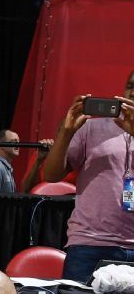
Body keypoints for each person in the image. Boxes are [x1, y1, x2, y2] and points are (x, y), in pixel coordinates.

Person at [38, 71, 134, 282]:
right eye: (130, 85)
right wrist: (67, 132)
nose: (132, 92)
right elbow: (52, 175)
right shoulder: (92, 127)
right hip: (90, 244)